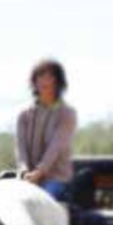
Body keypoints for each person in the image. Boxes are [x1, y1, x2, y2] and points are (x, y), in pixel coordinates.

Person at [16, 59, 77, 201]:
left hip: (56, 178)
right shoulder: (24, 114)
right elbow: (20, 147)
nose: (45, 81)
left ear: (58, 82)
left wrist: (38, 173)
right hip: (27, 178)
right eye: (40, 76)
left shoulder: (67, 113)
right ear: (34, 82)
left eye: (50, 77)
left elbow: (55, 148)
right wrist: (24, 171)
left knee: (38, 202)